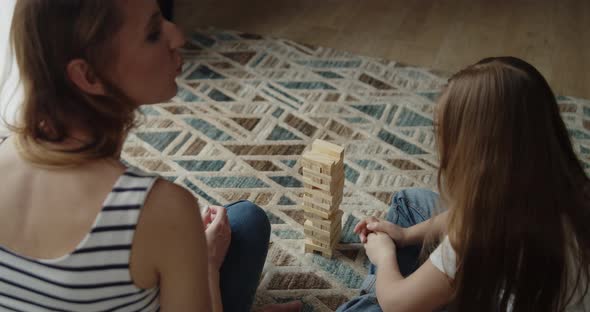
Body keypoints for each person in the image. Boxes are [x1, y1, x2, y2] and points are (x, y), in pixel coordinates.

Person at [0, 1, 272, 311]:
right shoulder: (165, 210)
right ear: (87, 75)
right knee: (246, 223)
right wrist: (205, 264)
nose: (178, 36)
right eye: (154, 33)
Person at [338, 57, 590, 312]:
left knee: (377, 303)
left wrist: (384, 257)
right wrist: (405, 236)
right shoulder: (565, 188)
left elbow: (397, 304)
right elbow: (466, 215)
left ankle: (373, 296)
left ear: (474, 153)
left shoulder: (479, 234)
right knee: (410, 202)